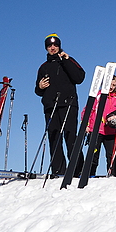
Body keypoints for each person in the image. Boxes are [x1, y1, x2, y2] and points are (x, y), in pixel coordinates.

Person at [35, 34, 85, 175]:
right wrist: (40, 86)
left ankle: (77, 169)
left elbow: (79, 77)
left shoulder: (68, 60)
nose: (53, 48)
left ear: (59, 46)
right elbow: (37, 91)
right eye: (50, 46)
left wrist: (66, 61)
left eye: (55, 45)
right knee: (54, 137)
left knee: (70, 137)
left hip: (68, 104)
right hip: (51, 106)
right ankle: (58, 170)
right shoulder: (43, 67)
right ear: (46, 48)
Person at [83, 75, 116, 176]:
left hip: (110, 131)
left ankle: (114, 174)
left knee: (112, 154)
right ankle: (90, 174)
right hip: (96, 129)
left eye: (114, 85)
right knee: (94, 153)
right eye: (109, 84)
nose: (111, 87)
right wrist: (86, 124)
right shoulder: (98, 95)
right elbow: (87, 110)